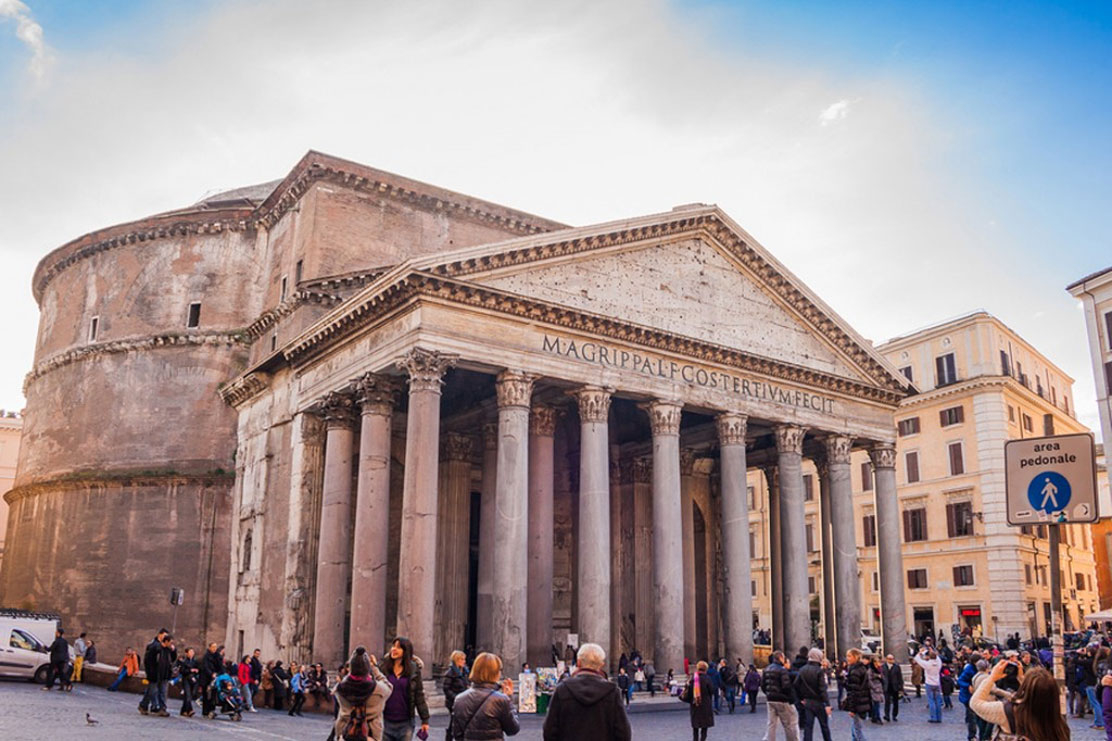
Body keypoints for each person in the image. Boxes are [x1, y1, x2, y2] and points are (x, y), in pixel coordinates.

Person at [542, 642, 631, 741]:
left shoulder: (562, 690)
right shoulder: (612, 692)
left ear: (578, 662)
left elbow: (549, 730)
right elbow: (623, 733)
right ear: (601, 665)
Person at [970, 662, 1068, 741]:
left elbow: (975, 703)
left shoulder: (1008, 711)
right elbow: (1037, 693)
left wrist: (992, 678)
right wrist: (1021, 678)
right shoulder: (1058, 723)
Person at [449, 651, 519, 740]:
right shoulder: (501, 699)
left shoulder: (459, 698)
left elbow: (456, 733)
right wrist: (509, 699)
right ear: (495, 673)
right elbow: (513, 729)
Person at [333, 646, 393, 741]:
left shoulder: (340, 688)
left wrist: (355, 664)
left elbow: (348, 679)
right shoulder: (378, 689)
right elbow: (388, 685)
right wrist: (374, 667)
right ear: (367, 669)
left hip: (346, 733)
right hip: (370, 734)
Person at [381, 636, 430, 741]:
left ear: (405, 651)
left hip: (405, 722)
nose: (394, 649)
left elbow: (419, 696)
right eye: (393, 646)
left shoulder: (413, 670)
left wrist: (425, 719)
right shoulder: (383, 667)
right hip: (385, 720)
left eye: (398, 647)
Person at [794, 648, 832, 741]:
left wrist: (800, 698)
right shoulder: (819, 671)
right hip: (819, 702)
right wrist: (827, 704)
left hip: (808, 701)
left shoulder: (802, 669)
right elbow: (822, 689)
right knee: (824, 726)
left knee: (808, 726)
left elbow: (795, 685)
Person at [760, 650, 798, 741]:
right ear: (780, 658)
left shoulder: (766, 669)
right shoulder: (782, 670)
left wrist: (769, 693)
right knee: (787, 724)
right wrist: (790, 698)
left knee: (771, 724)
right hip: (782, 699)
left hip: (770, 699)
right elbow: (786, 686)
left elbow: (763, 685)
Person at [682, 660, 715, 741]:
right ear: (705, 669)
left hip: (695, 704)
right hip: (705, 705)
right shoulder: (707, 679)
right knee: (704, 726)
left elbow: (689, 693)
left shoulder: (693, 679)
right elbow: (712, 691)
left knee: (695, 727)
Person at [843, 649, 872, 741]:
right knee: (855, 729)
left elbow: (853, 691)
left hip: (858, 703)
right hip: (862, 701)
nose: (847, 658)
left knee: (857, 730)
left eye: (849, 656)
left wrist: (852, 709)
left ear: (855, 657)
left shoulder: (855, 671)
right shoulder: (862, 668)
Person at [914, 648, 943, 723]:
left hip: (929, 683)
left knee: (931, 701)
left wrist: (920, 652)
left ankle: (933, 717)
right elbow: (937, 657)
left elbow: (917, 659)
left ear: (929, 657)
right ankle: (939, 717)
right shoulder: (939, 663)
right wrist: (932, 651)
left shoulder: (927, 664)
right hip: (937, 683)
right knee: (937, 701)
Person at [200, 642, 225, 717]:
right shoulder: (206, 656)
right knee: (206, 695)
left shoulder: (217, 656)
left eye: (215, 647)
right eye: (213, 647)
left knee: (214, 694)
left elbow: (220, 666)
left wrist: (222, 673)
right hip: (206, 678)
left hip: (215, 677)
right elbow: (205, 667)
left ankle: (212, 710)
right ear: (209, 647)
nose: (214, 648)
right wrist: (211, 674)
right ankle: (205, 711)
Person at [42, 627, 71, 692]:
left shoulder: (56, 641)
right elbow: (66, 650)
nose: (55, 633)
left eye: (56, 632)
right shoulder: (65, 641)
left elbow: (50, 649)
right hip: (63, 659)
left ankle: (48, 686)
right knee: (61, 673)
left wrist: (44, 647)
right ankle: (68, 684)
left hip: (55, 659)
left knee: (50, 672)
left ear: (58, 633)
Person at [443, 650, 470, 714]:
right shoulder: (450, 673)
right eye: (462, 659)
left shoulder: (465, 672)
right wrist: (456, 698)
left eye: (464, 659)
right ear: (456, 660)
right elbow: (446, 689)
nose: (464, 661)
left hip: (464, 700)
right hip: (454, 701)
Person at [177, 646, 201, 717]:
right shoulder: (184, 661)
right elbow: (181, 671)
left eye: (192, 652)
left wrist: (197, 671)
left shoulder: (195, 661)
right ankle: (190, 710)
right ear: (186, 653)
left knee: (189, 695)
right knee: (187, 695)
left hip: (193, 680)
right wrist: (190, 670)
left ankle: (183, 710)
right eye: (190, 652)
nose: (192, 653)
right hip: (186, 679)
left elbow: (199, 669)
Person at [881, 654, 902, 722]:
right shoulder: (883, 667)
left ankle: (894, 715)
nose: (891, 660)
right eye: (890, 659)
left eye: (892, 659)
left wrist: (901, 687)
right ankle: (887, 715)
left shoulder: (897, 667)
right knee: (887, 702)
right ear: (886, 659)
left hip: (895, 686)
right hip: (886, 686)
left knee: (895, 702)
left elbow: (900, 677)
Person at [866, 656, 884, 724]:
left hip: (879, 688)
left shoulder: (879, 669)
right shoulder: (870, 670)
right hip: (874, 688)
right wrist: (873, 687)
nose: (877, 663)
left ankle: (874, 717)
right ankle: (877, 717)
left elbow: (882, 676)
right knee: (876, 703)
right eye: (876, 662)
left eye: (878, 662)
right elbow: (869, 680)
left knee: (877, 703)